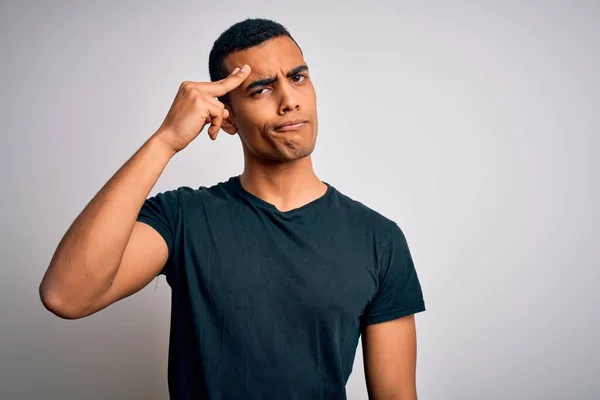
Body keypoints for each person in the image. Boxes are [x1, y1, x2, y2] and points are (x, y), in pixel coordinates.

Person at [39, 18, 426, 399]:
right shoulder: (183, 218)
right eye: (260, 89)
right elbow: (66, 296)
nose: (289, 100)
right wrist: (165, 140)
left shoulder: (379, 238)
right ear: (226, 118)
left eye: (298, 77)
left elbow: (395, 394)